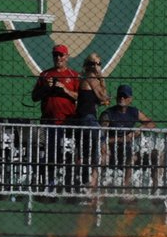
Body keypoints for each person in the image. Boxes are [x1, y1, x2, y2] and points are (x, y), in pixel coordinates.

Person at [31, 44, 80, 194]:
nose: (58, 58)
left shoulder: (73, 75)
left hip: (68, 122)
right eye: (55, 55)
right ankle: (49, 181)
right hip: (49, 121)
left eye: (61, 55)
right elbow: (34, 97)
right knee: (50, 153)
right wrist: (46, 87)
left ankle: (70, 182)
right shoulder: (45, 75)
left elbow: (80, 96)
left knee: (69, 154)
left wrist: (64, 90)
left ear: (67, 57)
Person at [99, 84, 157, 201]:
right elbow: (101, 138)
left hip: (129, 151)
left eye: (125, 97)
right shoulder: (108, 114)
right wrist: (120, 139)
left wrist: (138, 130)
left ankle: (156, 192)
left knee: (156, 155)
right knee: (128, 159)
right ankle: (124, 192)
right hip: (112, 153)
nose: (122, 99)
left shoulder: (133, 112)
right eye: (120, 96)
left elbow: (151, 123)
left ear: (130, 99)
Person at [75, 52, 110, 194]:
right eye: (92, 64)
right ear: (87, 66)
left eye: (98, 64)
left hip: (88, 118)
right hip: (87, 119)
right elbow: (103, 96)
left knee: (88, 151)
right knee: (99, 149)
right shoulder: (90, 78)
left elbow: (103, 99)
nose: (95, 67)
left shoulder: (91, 79)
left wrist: (103, 96)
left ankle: (89, 181)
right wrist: (101, 76)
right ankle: (90, 181)